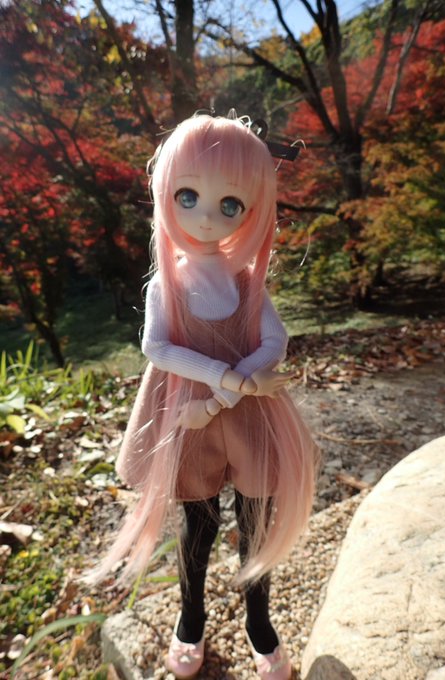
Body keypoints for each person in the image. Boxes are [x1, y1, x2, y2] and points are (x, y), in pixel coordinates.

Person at [91, 113, 317, 679]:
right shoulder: (167, 284)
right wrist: (232, 380)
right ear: (165, 192)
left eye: (230, 204)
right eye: (187, 196)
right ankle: (189, 617)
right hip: (189, 413)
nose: (207, 216)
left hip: (249, 415)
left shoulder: (246, 283)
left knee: (256, 523)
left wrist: (238, 384)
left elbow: (275, 339)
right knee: (198, 525)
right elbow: (157, 348)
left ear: (252, 209)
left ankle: (259, 622)